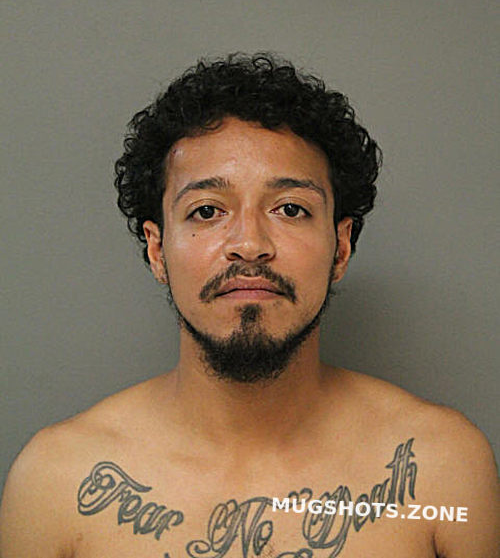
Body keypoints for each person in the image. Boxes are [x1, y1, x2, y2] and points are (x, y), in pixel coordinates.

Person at [0, 53, 498, 557]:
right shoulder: (57, 482)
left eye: (291, 209)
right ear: (157, 250)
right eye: (207, 211)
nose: (250, 245)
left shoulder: (442, 472)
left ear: (341, 248)